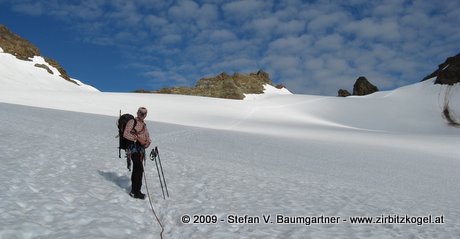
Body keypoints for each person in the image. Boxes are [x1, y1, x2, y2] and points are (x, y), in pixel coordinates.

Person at [123, 107, 151, 199]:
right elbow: (126, 134)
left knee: (139, 169)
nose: (142, 115)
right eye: (141, 113)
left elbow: (147, 137)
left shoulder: (144, 125)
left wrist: (147, 142)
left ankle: (137, 191)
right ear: (137, 113)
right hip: (133, 149)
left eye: (144, 113)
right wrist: (137, 139)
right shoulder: (132, 122)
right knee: (138, 168)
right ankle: (134, 191)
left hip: (141, 150)